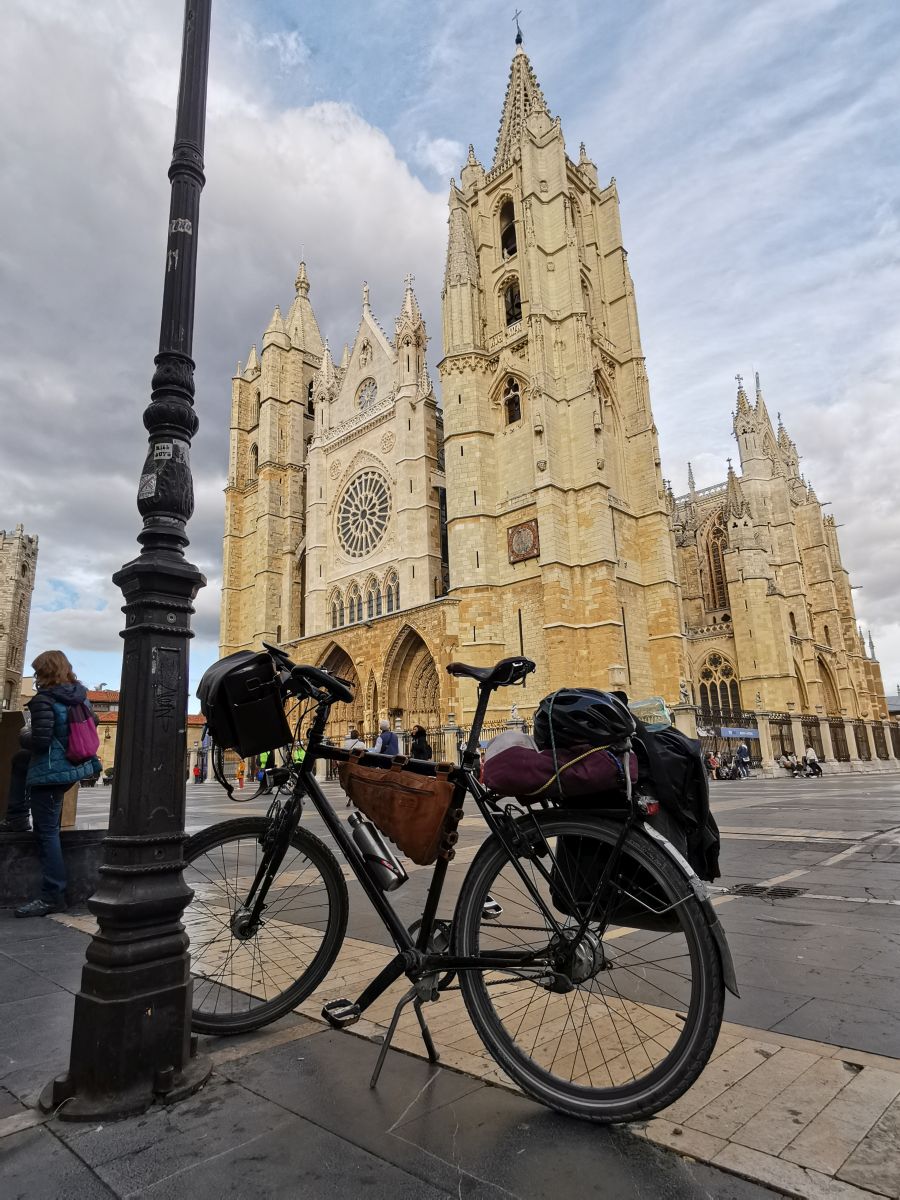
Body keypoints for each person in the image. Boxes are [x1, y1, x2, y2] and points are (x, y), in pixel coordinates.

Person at [15, 650, 101, 918]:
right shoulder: (80, 696)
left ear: (45, 672)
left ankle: (53, 895)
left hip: (52, 771)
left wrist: (24, 734)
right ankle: (15, 816)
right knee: (20, 763)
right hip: (73, 767)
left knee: (47, 832)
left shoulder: (45, 700)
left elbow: (40, 741)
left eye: (37, 671)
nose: (35, 676)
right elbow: (95, 721)